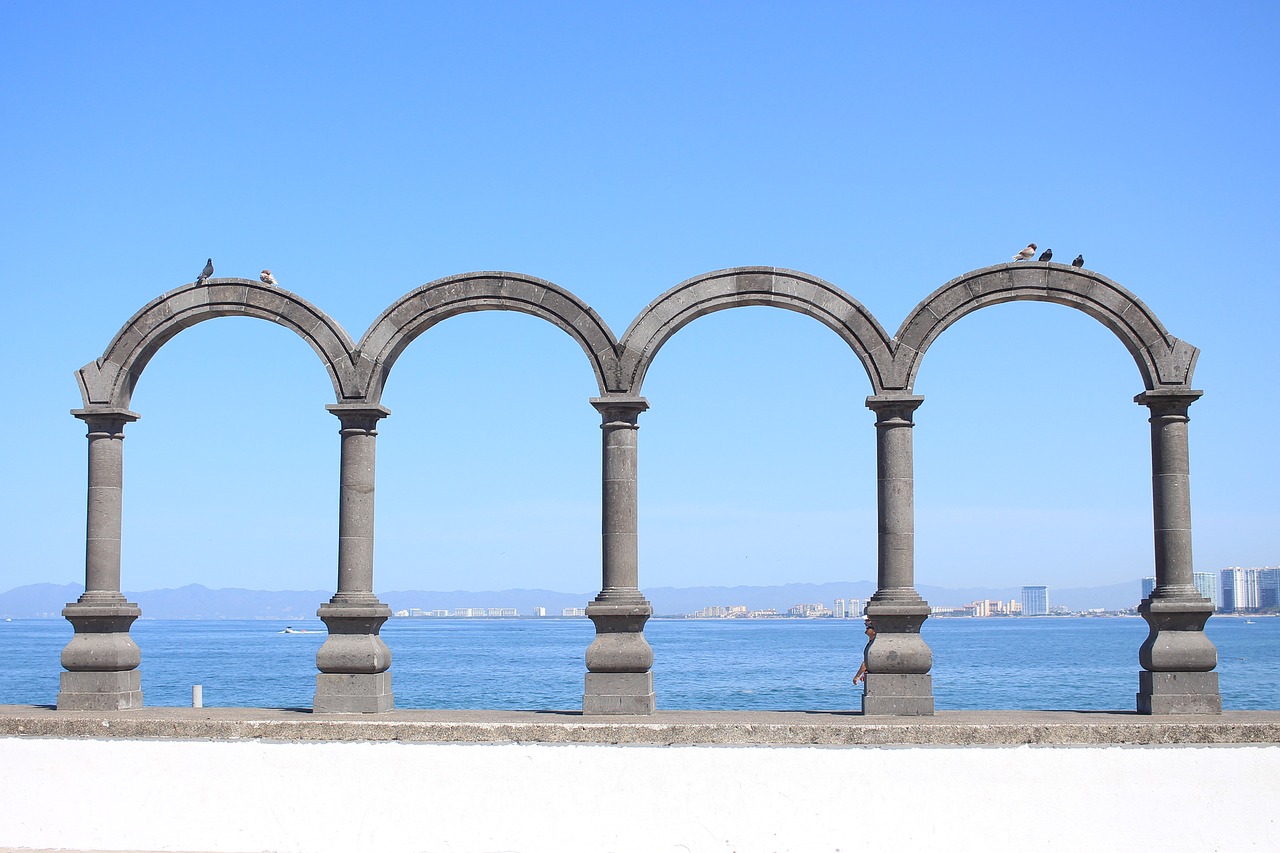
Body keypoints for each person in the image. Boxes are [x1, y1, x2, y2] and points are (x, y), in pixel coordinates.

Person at [852, 619, 875, 685]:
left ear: (874, 631)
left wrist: (857, 676)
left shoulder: (873, 645)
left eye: (868, 628)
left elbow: (867, 661)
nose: (866, 631)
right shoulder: (871, 643)